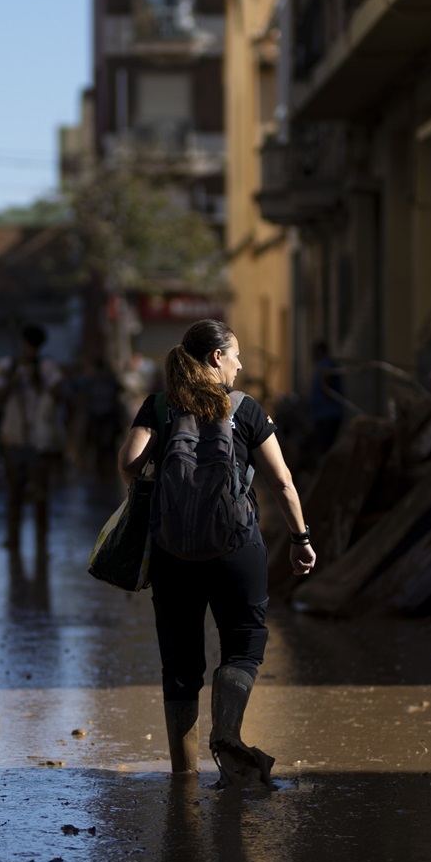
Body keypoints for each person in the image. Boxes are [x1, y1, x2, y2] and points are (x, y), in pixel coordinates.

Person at [117, 319, 316, 786]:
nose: (241, 364)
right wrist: (301, 538)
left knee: (181, 665)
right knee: (244, 644)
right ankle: (226, 734)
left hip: (172, 552)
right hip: (235, 550)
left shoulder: (160, 406)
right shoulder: (245, 409)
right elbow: (282, 482)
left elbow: (129, 465)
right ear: (215, 359)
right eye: (236, 355)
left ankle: (184, 778)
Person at [0, 325, 65, 548]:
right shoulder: (6, 366)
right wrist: (13, 381)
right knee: (14, 490)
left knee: (40, 492)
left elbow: (58, 396)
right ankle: (13, 536)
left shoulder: (47, 367)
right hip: (13, 437)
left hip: (40, 440)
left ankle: (41, 538)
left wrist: (37, 378)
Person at [307, 339, 346, 462]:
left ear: (320, 351)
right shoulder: (322, 365)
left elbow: (326, 382)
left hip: (327, 415)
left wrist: (325, 392)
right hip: (323, 414)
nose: (311, 355)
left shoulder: (326, 364)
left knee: (326, 449)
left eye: (314, 351)